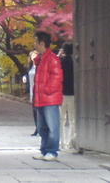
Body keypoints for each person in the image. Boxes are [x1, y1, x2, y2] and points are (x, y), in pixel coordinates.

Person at [32, 31, 63, 161]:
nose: (34, 44)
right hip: (41, 99)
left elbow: (57, 78)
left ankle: (52, 151)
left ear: (42, 43)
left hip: (49, 99)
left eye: (35, 41)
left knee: (52, 126)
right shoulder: (41, 59)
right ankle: (44, 149)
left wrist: (45, 90)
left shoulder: (53, 59)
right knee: (42, 127)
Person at [59, 43, 76, 150]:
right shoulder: (75, 62)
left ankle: (62, 142)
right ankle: (70, 142)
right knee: (72, 119)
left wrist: (59, 54)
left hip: (61, 93)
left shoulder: (60, 62)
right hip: (72, 93)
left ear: (64, 50)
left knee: (61, 119)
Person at [27, 50, 39, 136]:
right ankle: (37, 127)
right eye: (32, 56)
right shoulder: (30, 67)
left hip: (38, 91)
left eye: (35, 55)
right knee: (34, 111)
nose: (33, 57)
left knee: (39, 111)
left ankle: (40, 127)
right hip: (32, 90)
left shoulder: (39, 66)